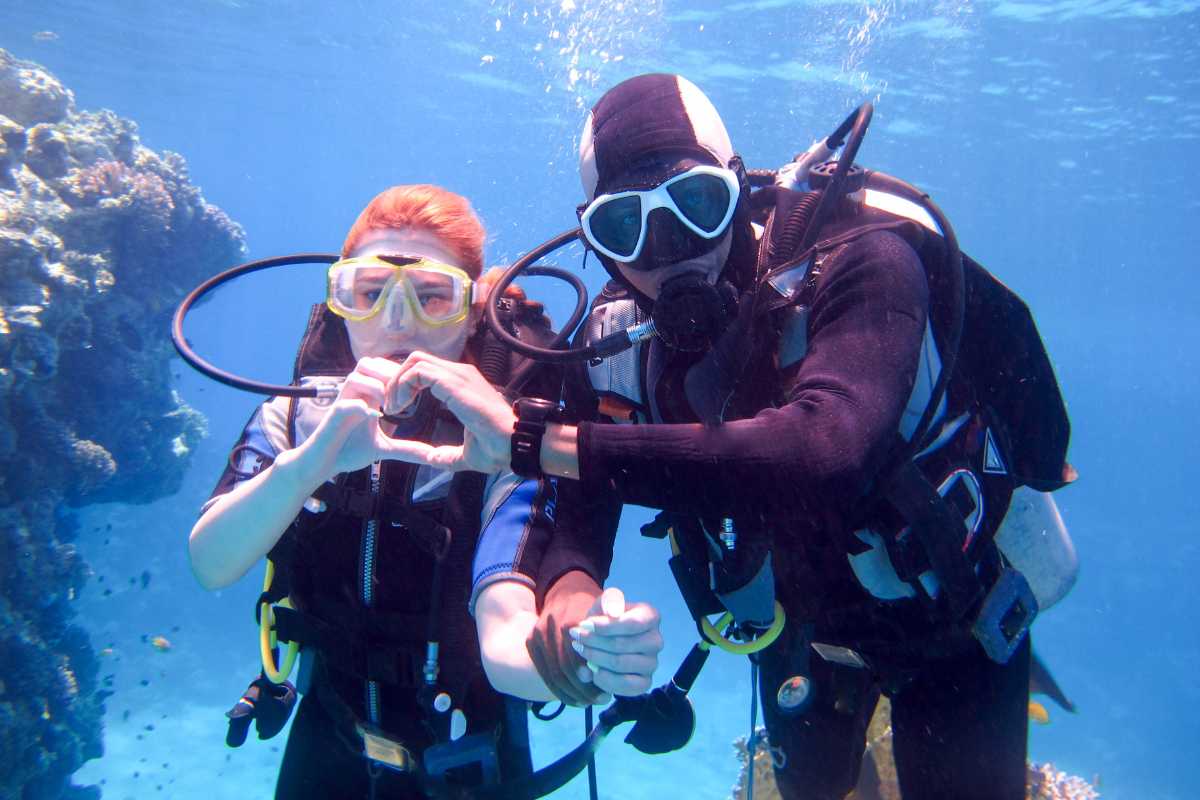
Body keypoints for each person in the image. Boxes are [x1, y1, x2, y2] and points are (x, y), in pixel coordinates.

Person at [376, 75, 1074, 800]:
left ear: (738, 190)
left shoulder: (862, 258)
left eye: (696, 205)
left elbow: (825, 450)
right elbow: (581, 514)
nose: (668, 250)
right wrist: (572, 602)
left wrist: (533, 440)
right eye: (626, 227)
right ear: (596, 238)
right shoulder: (617, 345)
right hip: (799, 634)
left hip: (952, 625)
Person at [187, 184, 664, 799]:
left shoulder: (499, 440)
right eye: (369, 293)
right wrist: (308, 465)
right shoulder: (292, 419)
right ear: (340, 302)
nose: (395, 322)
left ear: (470, 313)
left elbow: (505, 636)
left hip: (466, 763)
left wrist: (582, 658)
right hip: (327, 742)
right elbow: (210, 562)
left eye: (431, 297)